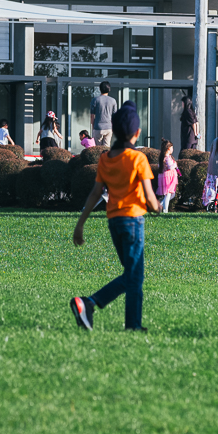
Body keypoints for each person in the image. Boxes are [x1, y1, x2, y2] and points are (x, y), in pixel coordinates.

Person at [70, 103, 159, 331]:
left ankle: (132, 325)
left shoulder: (105, 159)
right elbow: (150, 198)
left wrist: (80, 225)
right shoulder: (138, 159)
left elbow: (95, 193)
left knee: (132, 275)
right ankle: (90, 303)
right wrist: (158, 207)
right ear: (137, 132)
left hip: (114, 222)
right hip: (133, 221)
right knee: (134, 275)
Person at [156, 139, 180, 213]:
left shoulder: (162, 157)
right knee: (169, 194)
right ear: (169, 148)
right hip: (168, 178)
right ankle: (165, 210)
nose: (173, 149)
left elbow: (159, 166)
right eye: (172, 147)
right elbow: (170, 167)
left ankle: (160, 205)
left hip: (164, 177)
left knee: (171, 194)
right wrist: (175, 164)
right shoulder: (167, 157)